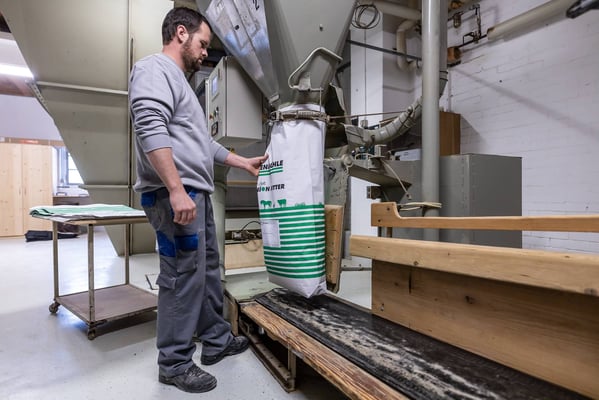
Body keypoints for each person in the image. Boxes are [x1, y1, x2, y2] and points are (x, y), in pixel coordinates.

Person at [129, 7, 268, 394]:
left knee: (206, 270)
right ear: (180, 33)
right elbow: (148, 125)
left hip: (195, 192)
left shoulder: (181, 84)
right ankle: (174, 362)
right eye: (203, 44)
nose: (206, 53)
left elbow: (202, 143)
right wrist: (175, 189)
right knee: (181, 276)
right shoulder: (154, 69)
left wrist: (242, 162)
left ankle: (216, 340)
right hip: (175, 193)